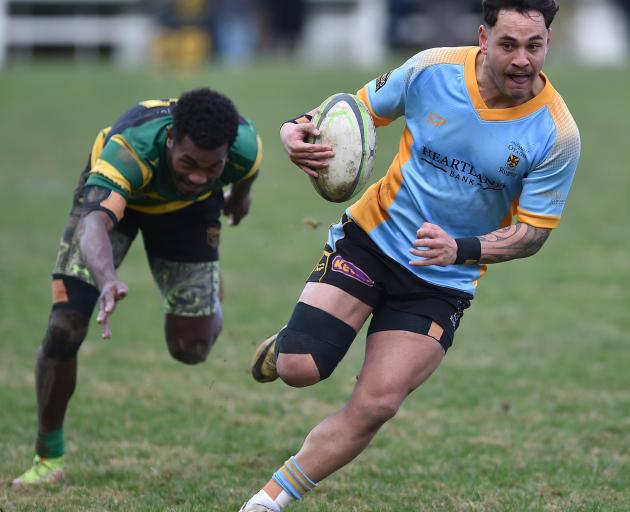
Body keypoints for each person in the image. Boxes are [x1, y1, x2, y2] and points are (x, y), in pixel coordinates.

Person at [240, 0, 579, 510]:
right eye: (508, 44)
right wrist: (297, 126)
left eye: (534, 46)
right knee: (299, 368)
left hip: (442, 281)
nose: (522, 60)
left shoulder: (557, 135)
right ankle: (293, 341)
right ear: (483, 38)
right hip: (371, 240)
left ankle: (268, 501)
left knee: (377, 402)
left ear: (548, 43)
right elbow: (353, 111)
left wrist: (459, 249)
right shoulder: (430, 69)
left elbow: (532, 234)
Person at [11, 87, 263, 486]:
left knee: (191, 349)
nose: (198, 176)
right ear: (169, 140)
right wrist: (107, 279)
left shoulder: (244, 147)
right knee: (65, 327)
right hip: (116, 205)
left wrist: (238, 200)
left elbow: (246, 174)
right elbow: (95, 224)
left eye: (211, 169)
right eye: (187, 163)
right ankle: (49, 458)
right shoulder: (129, 151)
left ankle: (210, 292)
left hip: (189, 213)